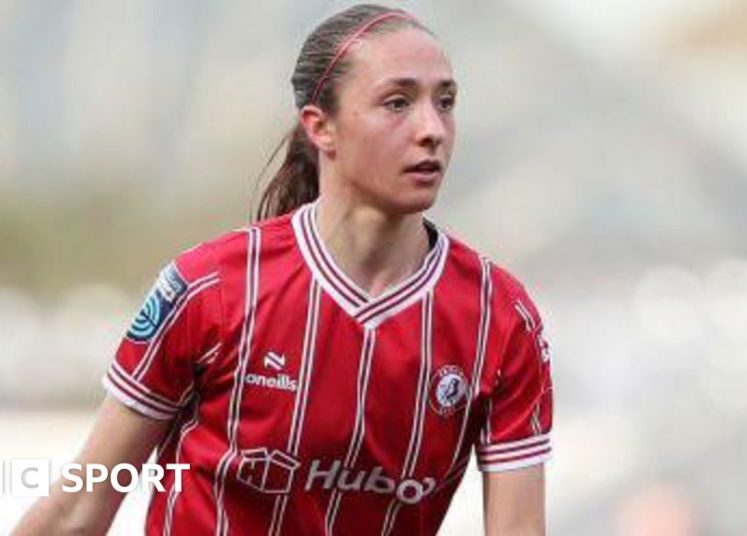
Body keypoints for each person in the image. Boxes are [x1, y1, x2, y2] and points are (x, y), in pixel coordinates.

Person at [13, 3, 553, 535]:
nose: (432, 128)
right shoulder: (210, 289)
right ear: (321, 127)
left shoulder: (500, 321)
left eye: (446, 101)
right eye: (397, 103)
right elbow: (75, 514)